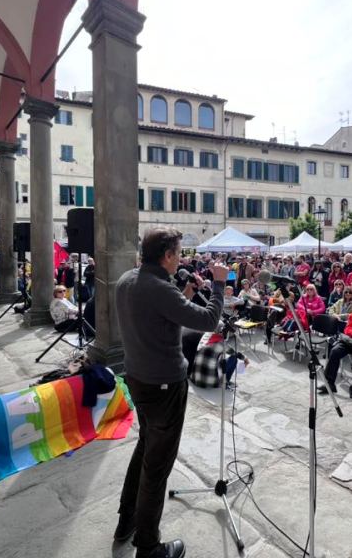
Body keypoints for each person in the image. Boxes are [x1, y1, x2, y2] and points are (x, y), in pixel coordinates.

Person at [113, 227, 228, 558]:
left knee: (146, 446)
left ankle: (127, 519)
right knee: (157, 467)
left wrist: (184, 297)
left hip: (139, 378)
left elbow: (158, 320)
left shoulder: (127, 280)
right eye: (178, 253)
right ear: (166, 255)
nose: (180, 258)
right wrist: (219, 283)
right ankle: (148, 546)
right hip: (164, 385)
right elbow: (209, 320)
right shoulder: (160, 289)